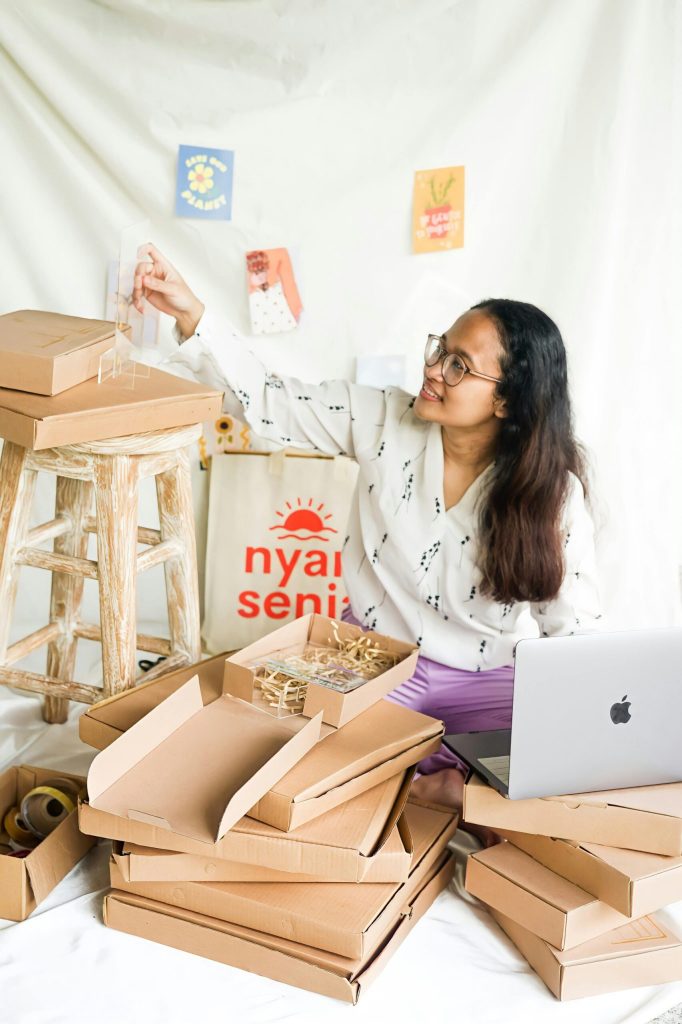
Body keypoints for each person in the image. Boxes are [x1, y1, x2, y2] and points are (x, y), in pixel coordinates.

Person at [133, 244, 601, 821]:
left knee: (552, 785)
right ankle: (426, 778)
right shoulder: (380, 417)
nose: (433, 369)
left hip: (486, 682)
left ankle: (435, 780)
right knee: (276, 769)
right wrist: (190, 311)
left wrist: (568, 738)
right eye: (440, 350)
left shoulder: (553, 494)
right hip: (371, 660)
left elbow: (573, 634)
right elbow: (273, 402)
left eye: (459, 366)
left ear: (507, 400)